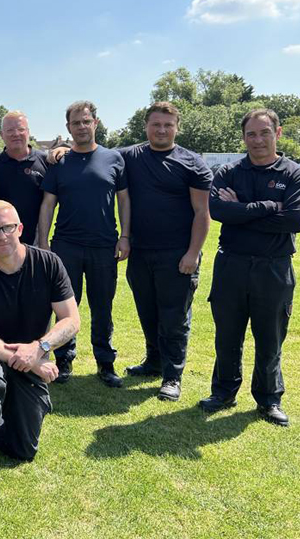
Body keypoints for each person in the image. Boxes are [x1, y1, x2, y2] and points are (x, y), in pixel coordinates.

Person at [0, 200, 80, 510]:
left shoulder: (49, 264)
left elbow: (71, 320)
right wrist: (28, 359)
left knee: (24, 448)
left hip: (31, 355)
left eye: (9, 227)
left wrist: (39, 349)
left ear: (21, 229)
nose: (3, 235)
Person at [199, 109, 300, 427]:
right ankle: (222, 393)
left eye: (264, 132)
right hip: (231, 265)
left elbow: (294, 220)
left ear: (278, 132)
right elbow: (219, 210)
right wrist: (266, 206)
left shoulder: (294, 175)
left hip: (273, 269)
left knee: (270, 338)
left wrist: (241, 209)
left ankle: (269, 400)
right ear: (244, 136)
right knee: (227, 335)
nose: (258, 140)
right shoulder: (228, 172)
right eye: (251, 134)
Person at [116, 102, 212, 402]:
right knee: (148, 311)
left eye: (168, 125)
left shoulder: (192, 163)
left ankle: (172, 376)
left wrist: (193, 253)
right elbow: (96, 155)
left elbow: (202, 212)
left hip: (177, 254)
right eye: (156, 124)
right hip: (141, 252)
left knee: (174, 318)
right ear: (146, 126)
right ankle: (154, 361)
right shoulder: (130, 156)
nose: (161, 130)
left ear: (176, 127)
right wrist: (60, 150)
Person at [37, 101, 130, 388]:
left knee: (103, 307)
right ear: (68, 128)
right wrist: (43, 242)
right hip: (66, 246)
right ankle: (64, 360)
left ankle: (105, 362)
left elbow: (124, 200)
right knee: (66, 307)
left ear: (96, 123)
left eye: (86, 121)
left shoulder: (114, 158)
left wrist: (125, 236)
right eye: (75, 123)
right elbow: (47, 205)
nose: (81, 126)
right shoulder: (59, 162)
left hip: (104, 246)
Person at [0, 111, 49, 245]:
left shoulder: (45, 162)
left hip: (37, 242)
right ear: (2, 135)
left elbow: (51, 203)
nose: (16, 134)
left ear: (28, 132)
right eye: (10, 130)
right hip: (3, 241)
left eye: (21, 129)